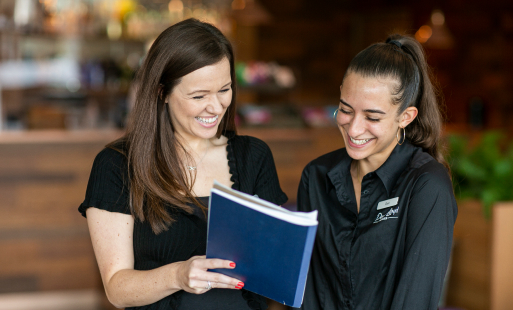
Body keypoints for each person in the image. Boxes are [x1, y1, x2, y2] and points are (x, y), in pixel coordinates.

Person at [78, 18, 287, 310]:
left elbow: (270, 271)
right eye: (199, 96)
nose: (215, 107)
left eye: (224, 90)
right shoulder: (116, 166)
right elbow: (117, 289)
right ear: (162, 92)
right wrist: (177, 275)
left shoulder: (253, 156)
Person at [297, 34, 457, 310]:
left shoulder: (427, 185)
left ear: (405, 117)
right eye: (346, 110)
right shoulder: (316, 176)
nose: (354, 128)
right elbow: (308, 288)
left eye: (372, 117)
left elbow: (415, 300)